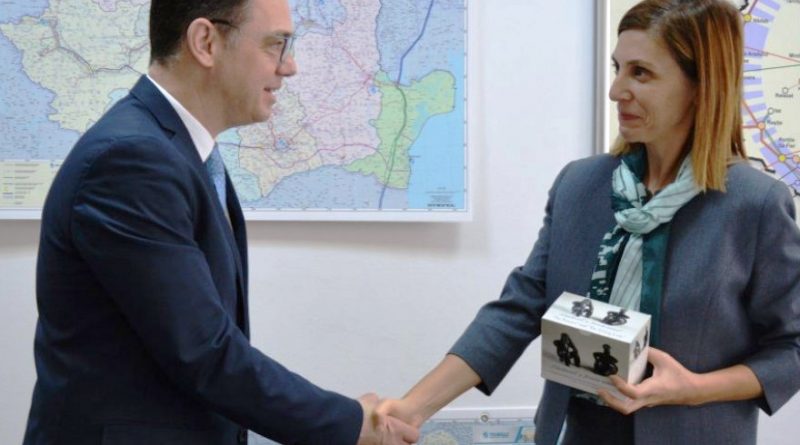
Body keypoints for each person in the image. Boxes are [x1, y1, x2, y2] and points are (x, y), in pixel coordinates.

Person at [377, 1, 800, 444]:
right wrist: (412, 408)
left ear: (701, 85)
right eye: (618, 68)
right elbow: (520, 308)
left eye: (640, 73)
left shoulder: (755, 204)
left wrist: (693, 389)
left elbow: (790, 348)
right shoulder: (580, 185)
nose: (617, 90)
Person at [23, 1, 418, 444]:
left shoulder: (177, 151)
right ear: (205, 43)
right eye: (275, 44)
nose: (289, 67)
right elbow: (203, 352)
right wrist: (348, 423)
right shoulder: (132, 160)